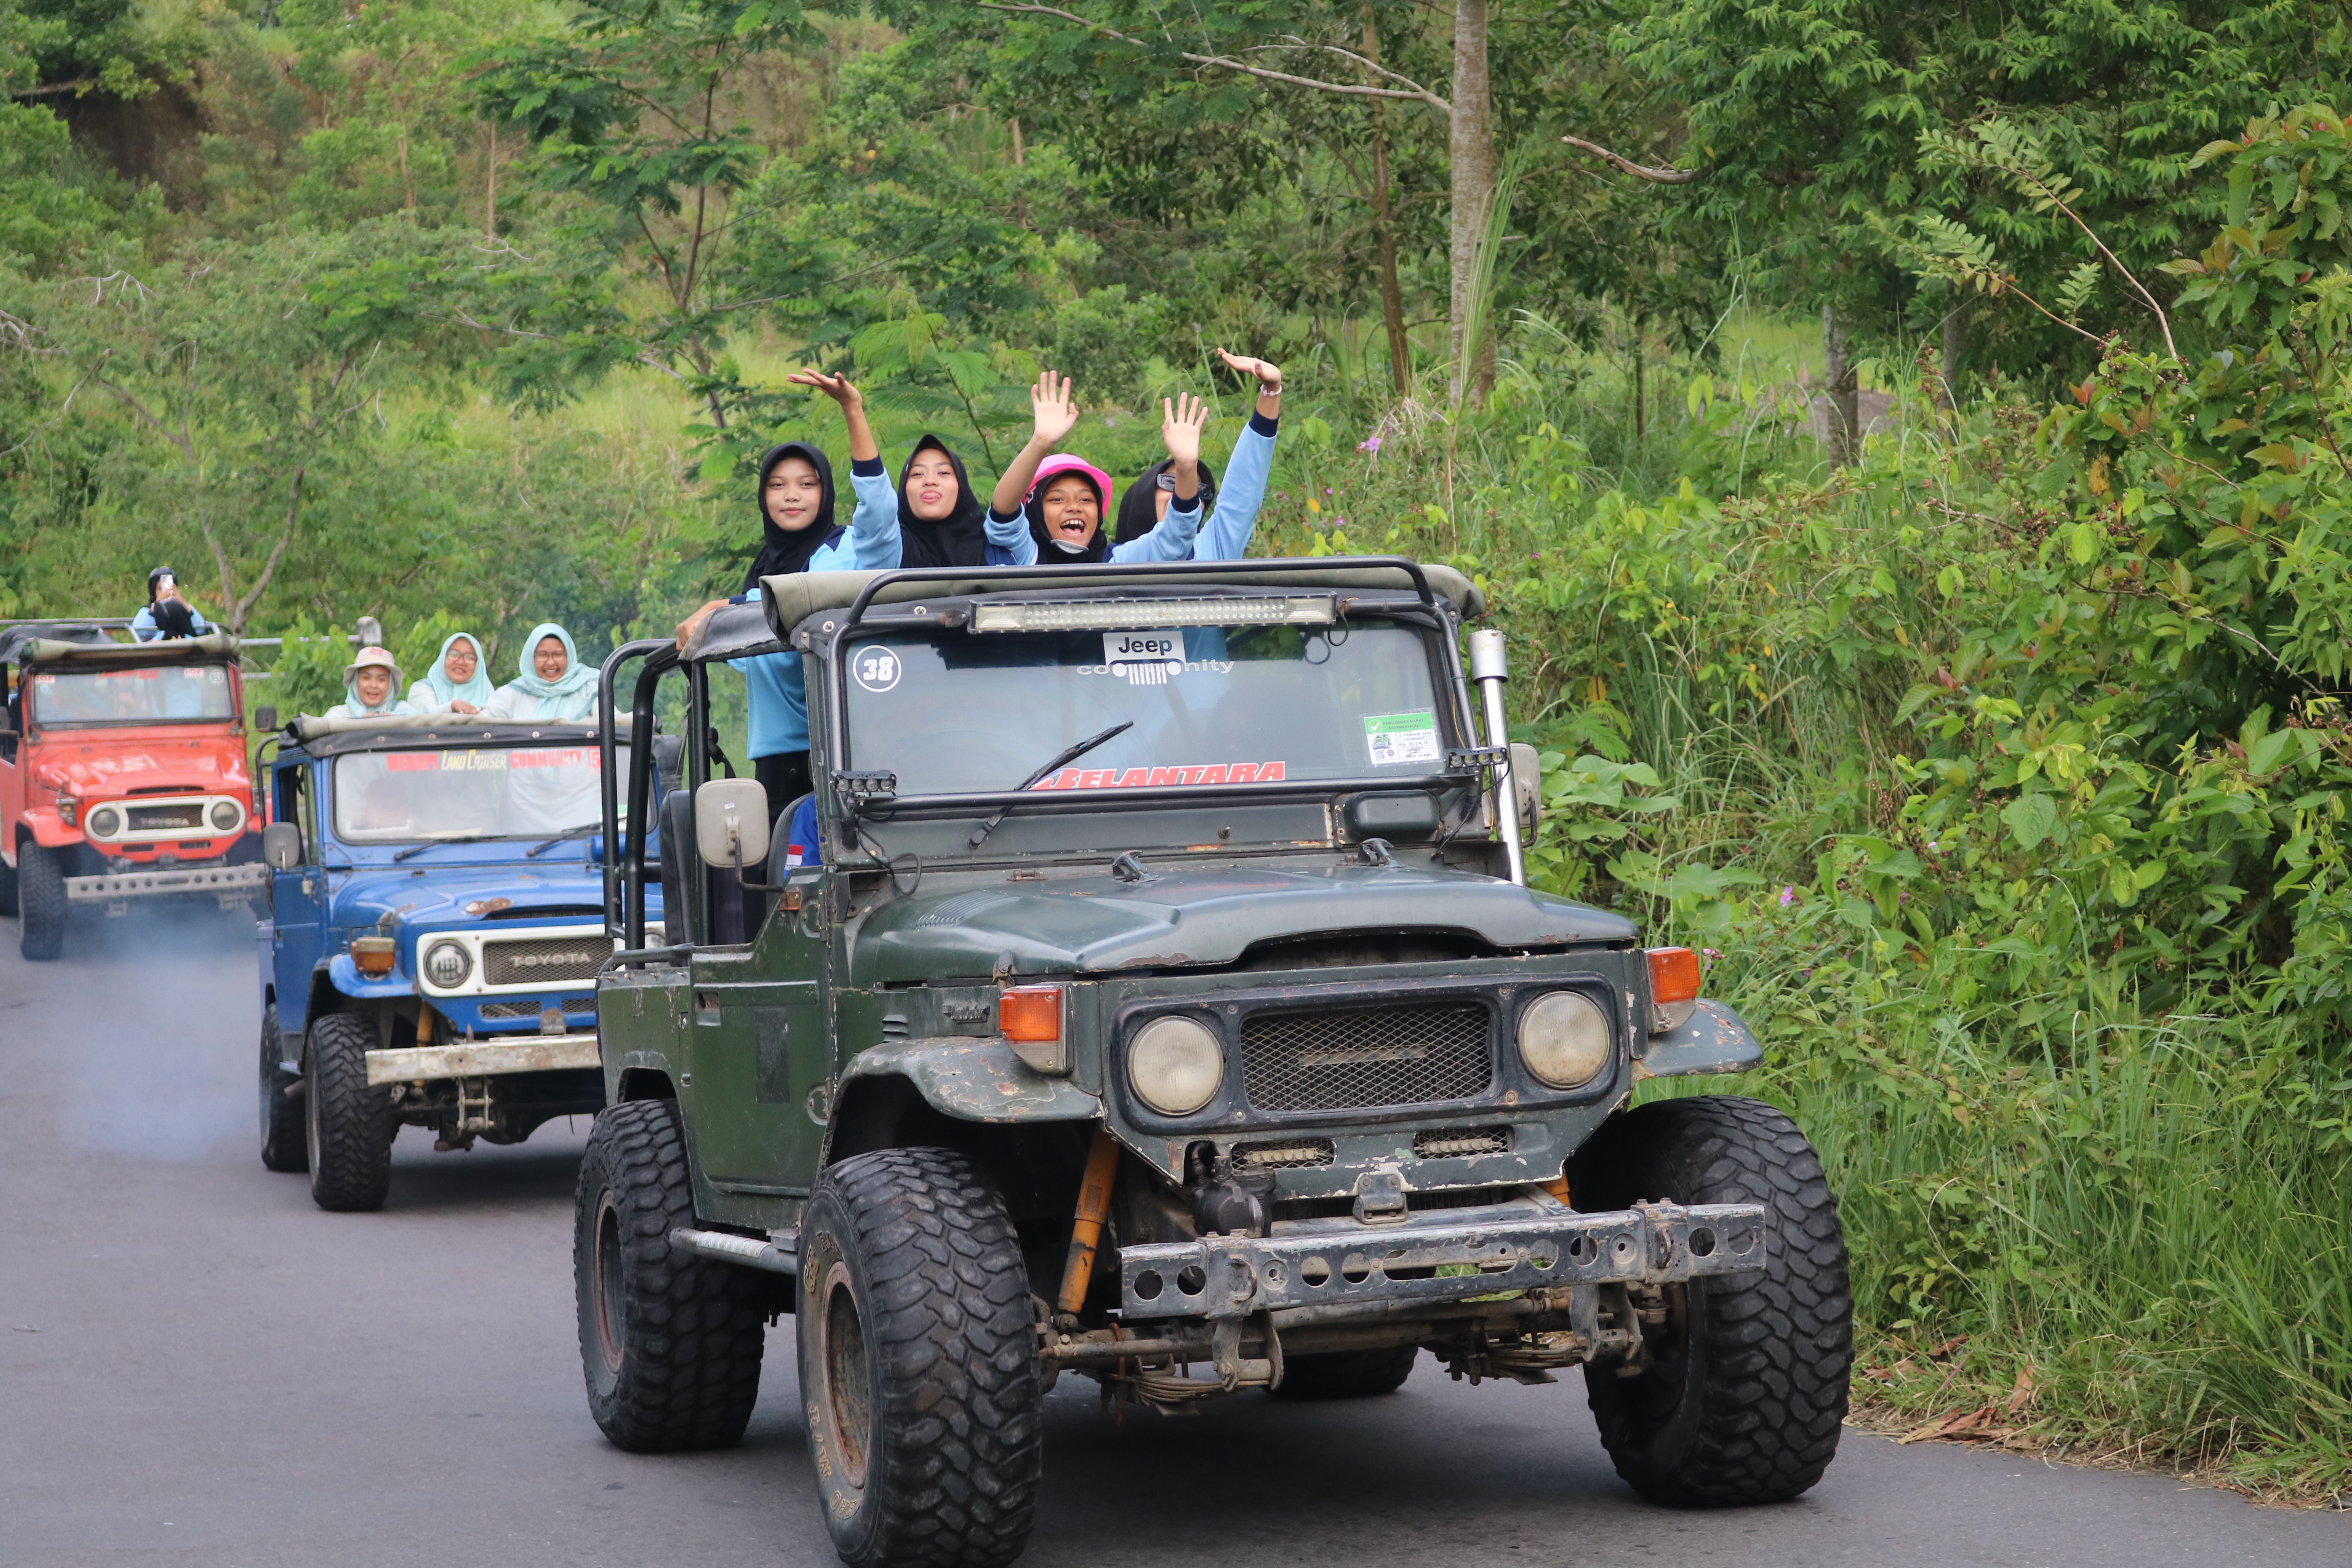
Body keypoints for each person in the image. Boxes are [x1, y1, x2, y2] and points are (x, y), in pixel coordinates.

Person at [672, 376, 903, 822]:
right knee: (776, 881)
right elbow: (758, 617)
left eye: (807, 484)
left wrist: (854, 411)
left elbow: (879, 516)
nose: (792, 495)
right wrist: (720, 610)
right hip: (777, 768)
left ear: (825, 493)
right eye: (778, 485)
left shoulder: (853, 550)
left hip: (848, 755)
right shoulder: (762, 571)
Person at [984, 371, 1209, 566]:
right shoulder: (1027, 557)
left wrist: (1187, 467)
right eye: (1057, 500)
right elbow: (1004, 513)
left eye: (1086, 500)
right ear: (1034, 509)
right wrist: (1040, 443)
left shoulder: (1116, 563)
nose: (1074, 508)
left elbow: (1175, 538)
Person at [1112, 349, 1284, 561]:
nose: (1184, 492)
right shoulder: (1114, 561)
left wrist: (1271, 390)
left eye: (1199, 490)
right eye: (1169, 482)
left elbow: (1243, 492)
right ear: (1145, 495)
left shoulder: (1212, 550)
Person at [893, 435, 990, 569]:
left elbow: (1008, 516)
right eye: (918, 474)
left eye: (944, 473)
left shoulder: (992, 543)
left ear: (961, 486)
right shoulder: (891, 549)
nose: (930, 481)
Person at [481, 624, 598, 721]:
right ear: (532, 658)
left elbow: (613, 724)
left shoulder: (590, 689)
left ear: (569, 657)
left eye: (558, 655)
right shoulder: (512, 693)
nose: (551, 663)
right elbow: (483, 725)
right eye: (543, 655)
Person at [409, 632, 494, 715]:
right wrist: (452, 707)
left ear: (478, 665)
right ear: (443, 658)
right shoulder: (422, 689)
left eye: (470, 657)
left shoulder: (490, 696)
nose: (461, 662)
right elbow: (426, 717)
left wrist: (486, 717)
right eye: (454, 654)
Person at [324, 646, 411, 719]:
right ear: (355, 682)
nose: (373, 685)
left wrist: (378, 716)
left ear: (391, 684)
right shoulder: (340, 714)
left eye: (381, 680)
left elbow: (419, 721)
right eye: (366, 678)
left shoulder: (403, 710)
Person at [131, 567, 210, 642]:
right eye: (160, 589)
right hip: (157, 650)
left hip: (184, 646)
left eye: (170, 588)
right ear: (153, 591)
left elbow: (201, 629)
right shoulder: (147, 610)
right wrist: (157, 605)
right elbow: (141, 632)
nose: (166, 592)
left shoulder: (184, 608)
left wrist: (184, 603)